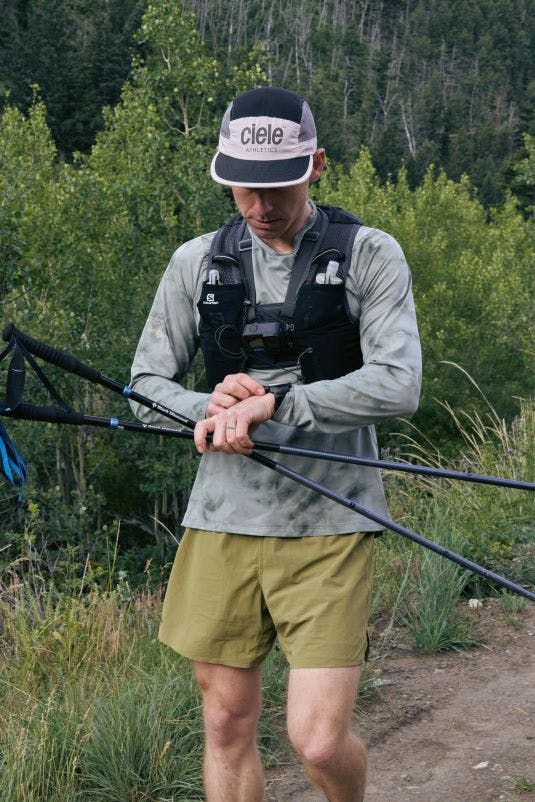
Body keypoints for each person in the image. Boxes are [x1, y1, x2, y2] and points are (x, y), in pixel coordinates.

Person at [130, 86, 422, 802]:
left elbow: (398, 384)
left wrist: (276, 403)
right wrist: (208, 407)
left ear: (316, 165)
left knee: (317, 742)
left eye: (278, 186)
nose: (260, 206)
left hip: (330, 521)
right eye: (243, 188)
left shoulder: (369, 255)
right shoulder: (194, 261)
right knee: (226, 724)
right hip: (221, 520)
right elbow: (142, 388)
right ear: (224, 175)